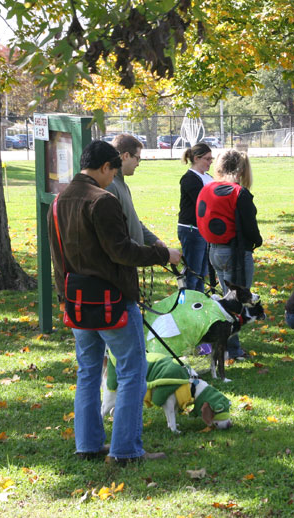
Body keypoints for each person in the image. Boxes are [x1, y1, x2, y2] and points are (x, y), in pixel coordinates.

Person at [48, 140, 182, 465]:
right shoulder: (102, 201)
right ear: (106, 167)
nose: (113, 179)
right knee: (132, 371)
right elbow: (122, 250)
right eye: (113, 172)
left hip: (76, 300)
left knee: (89, 373)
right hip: (113, 301)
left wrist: (64, 299)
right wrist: (164, 254)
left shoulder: (59, 200)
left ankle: (89, 445)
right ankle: (125, 450)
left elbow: (57, 259)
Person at [197, 149, 262, 360]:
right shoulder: (239, 193)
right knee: (235, 303)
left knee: (226, 300)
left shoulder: (208, 188)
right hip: (235, 253)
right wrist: (256, 241)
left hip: (214, 250)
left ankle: (225, 346)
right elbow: (250, 226)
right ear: (242, 169)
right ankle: (230, 349)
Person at [107, 134, 165, 248]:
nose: (138, 164)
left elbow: (133, 222)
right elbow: (115, 234)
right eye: (137, 158)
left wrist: (155, 241)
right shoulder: (111, 186)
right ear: (126, 156)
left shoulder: (122, 185)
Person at [178, 142, 215, 291]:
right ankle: (186, 305)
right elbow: (204, 204)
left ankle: (198, 305)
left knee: (202, 273)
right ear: (196, 158)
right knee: (193, 273)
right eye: (207, 159)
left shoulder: (208, 177)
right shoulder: (189, 179)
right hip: (191, 229)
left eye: (211, 158)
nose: (210, 162)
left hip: (204, 230)